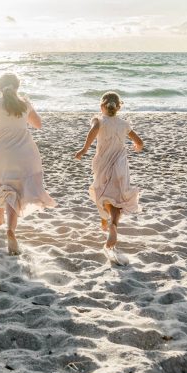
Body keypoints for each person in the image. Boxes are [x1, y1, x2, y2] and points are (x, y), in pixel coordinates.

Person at [0, 73, 56, 255]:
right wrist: (24, 118)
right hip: (24, 151)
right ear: (17, 87)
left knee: (1, 183)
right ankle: (10, 229)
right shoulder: (25, 103)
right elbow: (38, 125)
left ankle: (0, 217)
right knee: (15, 189)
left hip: (0, 150)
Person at [75, 91, 143, 258]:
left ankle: (106, 221)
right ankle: (112, 223)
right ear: (119, 107)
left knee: (102, 193)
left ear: (101, 106)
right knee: (117, 198)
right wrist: (138, 147)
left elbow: (94, 130)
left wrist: (84, 149)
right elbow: (139, 142)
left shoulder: (98, 120)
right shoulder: (124, 124)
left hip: (104, 162)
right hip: (120, 164)